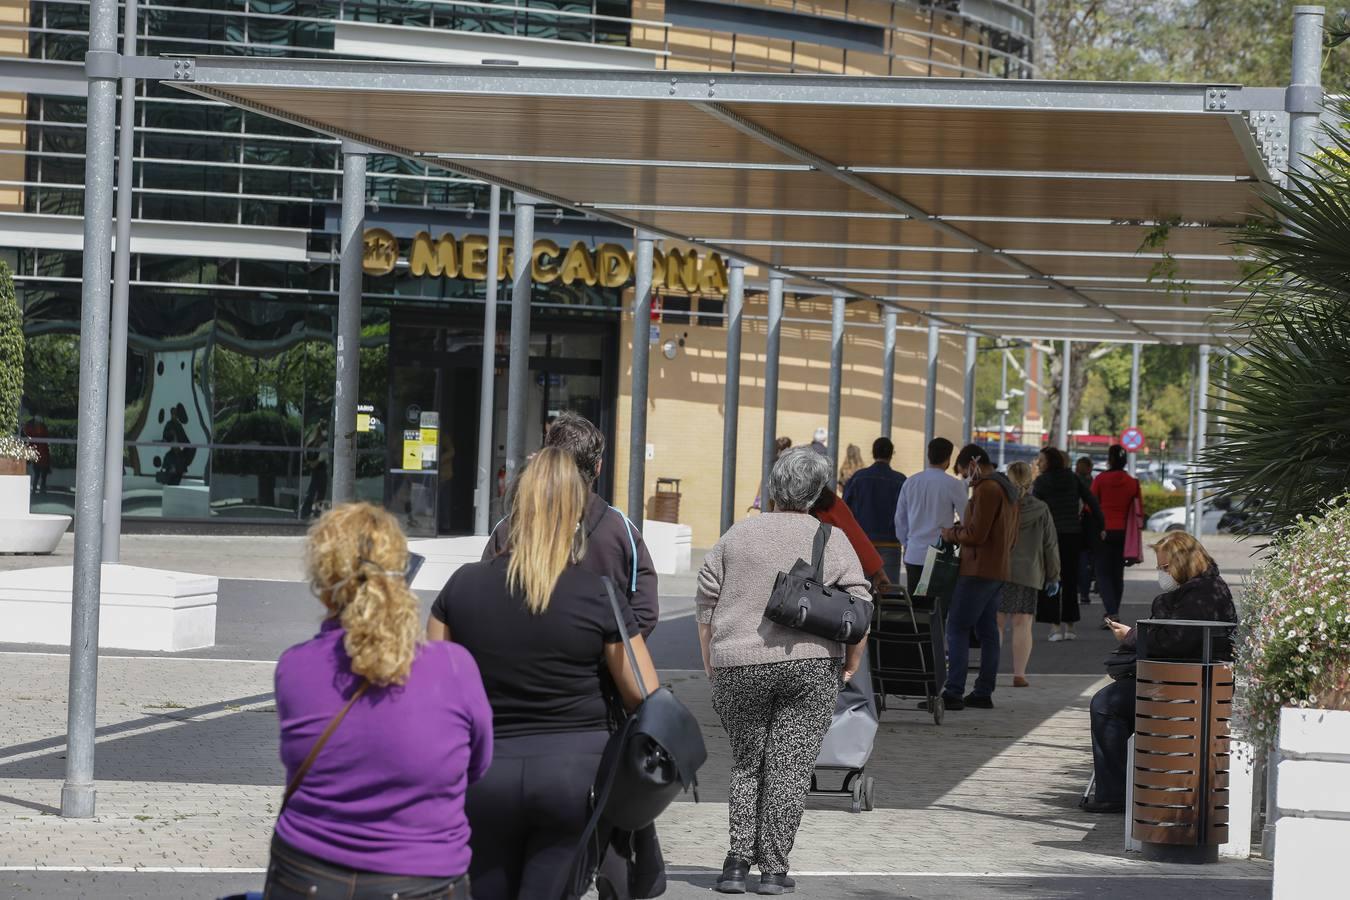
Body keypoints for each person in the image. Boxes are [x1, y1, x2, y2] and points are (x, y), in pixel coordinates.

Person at [430, 448, 659, 899]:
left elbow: (431, 688)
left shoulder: (462, 585)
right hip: (572, 780)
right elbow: (643, 695)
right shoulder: (599, 595)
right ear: (575, 516)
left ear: (514, 509)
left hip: (483, 774)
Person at [266, 502, 492, 899]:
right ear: (401, 573)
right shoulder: (455, 668)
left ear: (324, 586)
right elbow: (476, 767)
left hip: (306, 876)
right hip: (426, 878)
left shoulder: (294, 668)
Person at [697, 448, 870, 896]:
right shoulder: (830, 538)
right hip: (811, 665)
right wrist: (850, 665)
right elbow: (860, 608)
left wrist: (711, 660)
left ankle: (736, 863)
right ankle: (773, 869)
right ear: (817, 494)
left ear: (774, 487)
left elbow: (706, 602)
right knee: (790, 767)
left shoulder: (736, 534)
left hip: (739, 665)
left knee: (747, 763)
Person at [1085, 531, 1236, 813]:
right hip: (1191, 684)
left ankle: (1114, 794)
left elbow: (1174, 642)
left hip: (1186, 687)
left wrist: (1131, 636)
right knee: (1112, 701)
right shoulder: (1205, 589)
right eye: (1159, 567)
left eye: (1165, 567)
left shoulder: (1199, 595)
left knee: (1106, 705)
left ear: (1185, 563)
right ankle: (1121, 789)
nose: (1161, 573)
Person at [483, 411, 658, 638]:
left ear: (548, 460)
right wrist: (606, 656)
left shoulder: (511, 525)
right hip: (598, 669)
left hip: (519, 666)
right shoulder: (621, 530)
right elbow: (644, 611)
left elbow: (485, 598)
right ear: (598, 467)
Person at [935, 444, 1019, 711]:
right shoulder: (1007, 490)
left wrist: (952, 534)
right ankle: (983, 691)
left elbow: (977, 535)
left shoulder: (986, 489)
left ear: (973, 463)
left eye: (963, 473)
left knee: (957, 628)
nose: (964, 479)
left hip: (976, 570)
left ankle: (954, 691)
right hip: (998, 569)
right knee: (987, 632)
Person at [1033, 447, 1101, 642]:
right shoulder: (1073, 478)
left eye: (1042, 460)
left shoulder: (1042, 481)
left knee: (1052, 579)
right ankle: (1070, 626)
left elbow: (1035, 507)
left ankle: (1055, 627)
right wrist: (1101, 524)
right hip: (1073, 534)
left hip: (1050, 536)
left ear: (1050, 462)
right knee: (1071, 580)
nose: (1039, 463)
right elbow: (1091, 500)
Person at [1002, 461, 1060, 687]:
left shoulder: (1002, 506)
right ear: (1030, 479)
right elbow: (1050, 545)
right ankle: (1019, 674)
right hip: (1029, 572)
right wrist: (1054, 576)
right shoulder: (1041, 509)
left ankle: (990, 672)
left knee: (995, 622)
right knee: (1022, 623)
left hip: (998, 570)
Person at [893, 437, 969, 595]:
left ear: (928, 456)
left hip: (914, 554)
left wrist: (906, 543)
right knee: (938, 607)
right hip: (942, 557)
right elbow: (966, 519)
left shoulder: (911, 482)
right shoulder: (954, 485)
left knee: (917, 610)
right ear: (948, 459)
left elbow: (900, 519)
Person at [842, 437, 907, 582]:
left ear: (873, 453)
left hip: (863, 543)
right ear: (891, 455)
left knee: (862, 591)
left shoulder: (858, 478)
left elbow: (845, 510)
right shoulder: (901, 480)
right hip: (891, 543)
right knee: (889, 593)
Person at [1091, 444, 1143, 623]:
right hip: (1124, 534)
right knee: (1117, 574)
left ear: (1109, 459)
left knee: (1103, 573)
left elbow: (1091, 506)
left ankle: (1112, 612)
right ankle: (1114, 611)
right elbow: (1139, 511)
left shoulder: (1100, 479)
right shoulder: (1133, 482)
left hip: (1103, 532)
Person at [811, 487, 890, 591]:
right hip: (825, 581)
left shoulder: (784, 502)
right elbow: (855, 537)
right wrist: (877, 572)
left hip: (789, 583)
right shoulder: (828, 501)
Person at [1075, 455, 1098, 605]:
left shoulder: (1071, 481)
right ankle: (1085, 592)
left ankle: (1079, 588)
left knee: (1078, 559)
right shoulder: (1092, 482)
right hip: (1091, 524)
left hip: (1075, 524)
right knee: (1089, 558)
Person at [751, 437, 793, 512]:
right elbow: (764, 481)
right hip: (776, 499)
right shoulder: (779, 464)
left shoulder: (775, 463)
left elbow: (763, 481)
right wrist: (758, 499)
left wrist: (757, 499)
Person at [21, 413, 50, 495]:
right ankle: (35, 489)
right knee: (38, 473)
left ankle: (40, 489)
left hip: (42, 454)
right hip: (38, 454)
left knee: (42, 474)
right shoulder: (35, 429)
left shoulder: (41, 428)